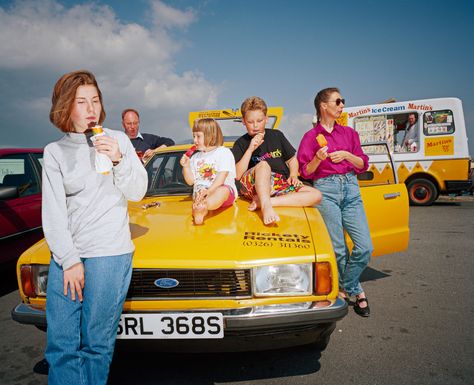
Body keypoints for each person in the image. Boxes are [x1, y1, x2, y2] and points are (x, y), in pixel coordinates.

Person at [43, 70, 148, 384]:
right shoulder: (55, 152)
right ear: (65, 107)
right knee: (60, 345)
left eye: (95, 100)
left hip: (109, 254)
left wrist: (119, 160)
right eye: (81, 102)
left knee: (95, 343)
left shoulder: (117, 140)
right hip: (68, 257)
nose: (90, 108)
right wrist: (70, 259)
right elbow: (54, 213)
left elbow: (138, 191)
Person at [297, 87, 373, 317]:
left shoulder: (349, 134)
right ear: (324, 106)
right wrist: (318, 159)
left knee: (365, 246)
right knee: (338, 249)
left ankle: (346, 287)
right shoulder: (310, 138)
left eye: (342, 101)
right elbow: (305, 171)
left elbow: (363, 164)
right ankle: (358, 292)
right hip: (326, 189)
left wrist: (348, 156)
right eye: (338, 101)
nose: (342, 105)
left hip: (351, 187)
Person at [232, 96, 321, 225]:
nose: (255, 125)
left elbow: (292, 160)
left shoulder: (277, 135)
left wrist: (293, 175)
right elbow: (237, 174)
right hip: (254, 185)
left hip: (278, 183)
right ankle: (266, 206)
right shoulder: (241, 143)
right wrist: (250, 149)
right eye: (250, 122)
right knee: (263, 165)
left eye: (260, 120)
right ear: (243, 121)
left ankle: (266, 202)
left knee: (316, 195)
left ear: (266, 119)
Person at [180, 118, 237, 225]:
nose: (195, 140)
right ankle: (200, 212)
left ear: (211, 136)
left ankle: (204, 207)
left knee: (222, 190)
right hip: (201, 195)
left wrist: (209, 191)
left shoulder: (223, 152)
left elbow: (222, 176)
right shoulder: (195, 157)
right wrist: (186, 166)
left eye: (198, 136)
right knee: (198, 195)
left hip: (224, 194)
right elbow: (190, 181)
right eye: (194, 136)